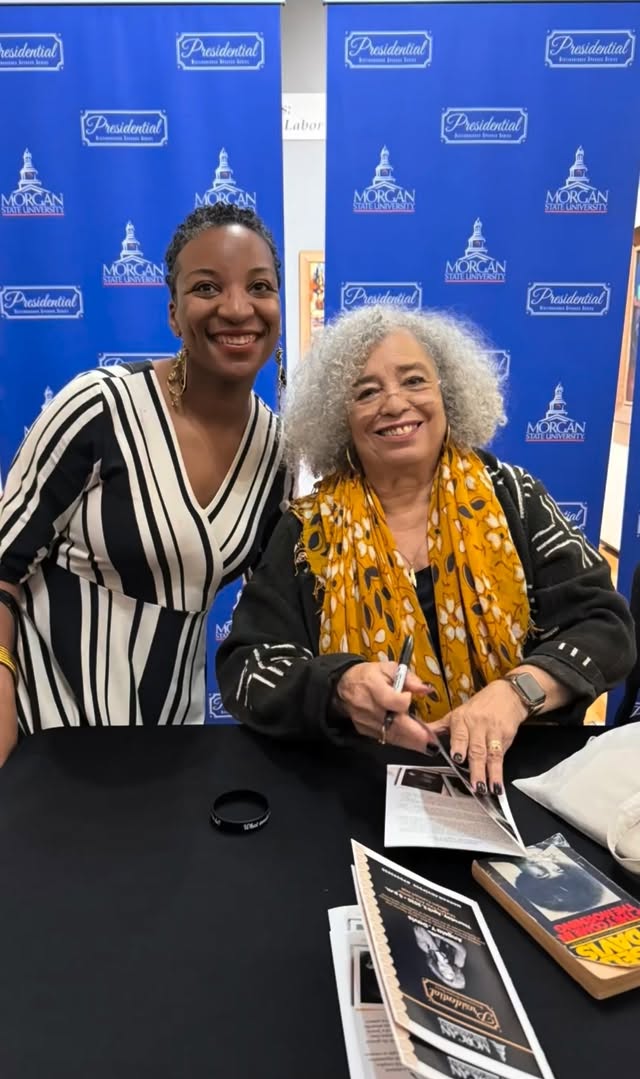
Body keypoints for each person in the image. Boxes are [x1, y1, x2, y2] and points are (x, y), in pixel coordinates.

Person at [216, 305, 635, 794]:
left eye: (414, 381)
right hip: (362, 789)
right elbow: (248, 667)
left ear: (447, 395)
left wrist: (516, 692)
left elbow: (606, 628)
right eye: (366, 391)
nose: (394, 404)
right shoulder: (306, 531)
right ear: (339, 420)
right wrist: (340, 687)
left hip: (523, 782)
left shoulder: (513, 498)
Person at [0, 203, 288, 763]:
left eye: (259, 286)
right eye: (207, 287)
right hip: (45, 734)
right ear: (174, 313)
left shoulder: (275, 449)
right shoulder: (99, 407)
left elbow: (273, 610)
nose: (236, 308)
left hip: (172, 740)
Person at [413, 925, 467, 990]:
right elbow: (462, 950)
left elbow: (418, 929)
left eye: (442, 972)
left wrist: (436, 951)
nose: (442, 968)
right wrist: (442, 937)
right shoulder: (458, 963)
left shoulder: (426, 949)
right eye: (450, 973)